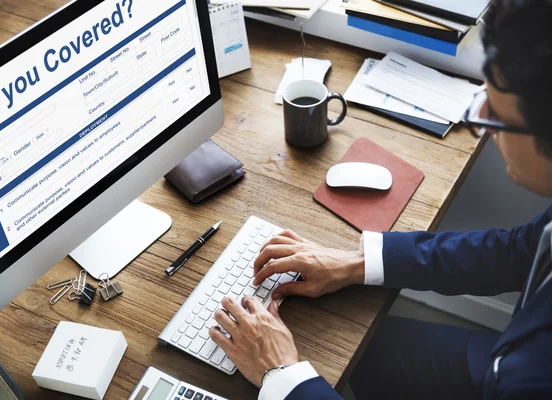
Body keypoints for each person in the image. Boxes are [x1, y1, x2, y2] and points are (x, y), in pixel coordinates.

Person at [208, 0, 552, 398]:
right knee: (367, 352)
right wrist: (358, 262)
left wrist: (282, 374)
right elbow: (518, 252)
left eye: (495, 117)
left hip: (510, 377)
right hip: (503, 361)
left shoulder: (534, 381)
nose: (486, 130)